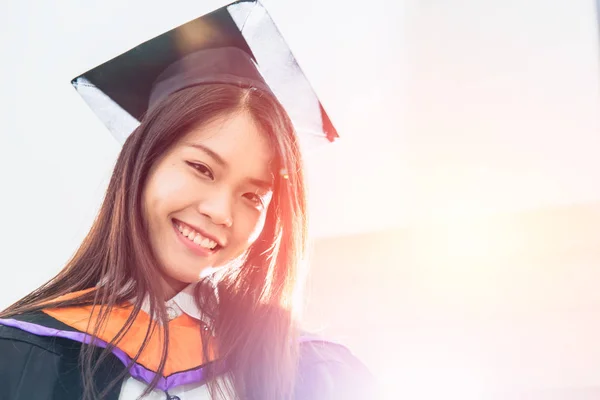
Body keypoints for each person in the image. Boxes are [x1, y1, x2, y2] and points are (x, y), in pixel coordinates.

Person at [0, 2, 375, 400]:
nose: (220, 211)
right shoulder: (22, 352)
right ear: (141, 164)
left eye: (253, 195)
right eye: (201, 168)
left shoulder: (316, 371)